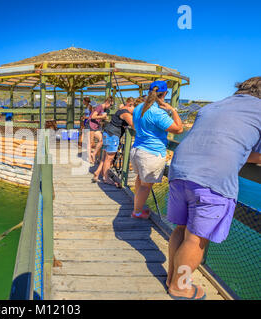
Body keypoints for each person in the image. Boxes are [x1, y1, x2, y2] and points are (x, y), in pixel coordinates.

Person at [165, 76, 261, 300]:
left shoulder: (213, 106)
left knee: (180, 228)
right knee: (196, 238)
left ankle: (172, 279)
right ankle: (180, 287)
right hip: (213, 176)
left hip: (179, 170)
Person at [130, 80, 183, 220]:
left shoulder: (139, 108)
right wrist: (172, 110)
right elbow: (179, 129)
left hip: (136, 150)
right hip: (151, 153)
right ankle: (137, 212)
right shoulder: (157, 112)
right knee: (146, 186)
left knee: (139, 179)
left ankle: (137, 205)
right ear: (165, 93)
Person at [92, 98, 135, 185]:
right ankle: (106, 178)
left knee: (105, 156)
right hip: (113, 135)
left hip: (108, 133)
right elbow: (133, 125)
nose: (135, 111)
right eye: (135, 108)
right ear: (130, 104)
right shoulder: (125, 113)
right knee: (109, 158)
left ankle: (98, 172)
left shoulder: (121, 110)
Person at [89, 97, 114, 163]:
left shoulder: (103, 109)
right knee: (91, 142)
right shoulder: (100, 107)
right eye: (110, 105)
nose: (110, 107)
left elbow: (98, 117)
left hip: (96, 126)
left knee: (102, 140)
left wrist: (103, 119)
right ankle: (90, 158)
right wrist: (102, 117)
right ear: (107, 102)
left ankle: (93, 154)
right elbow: (93, 116)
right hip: (91, 125)